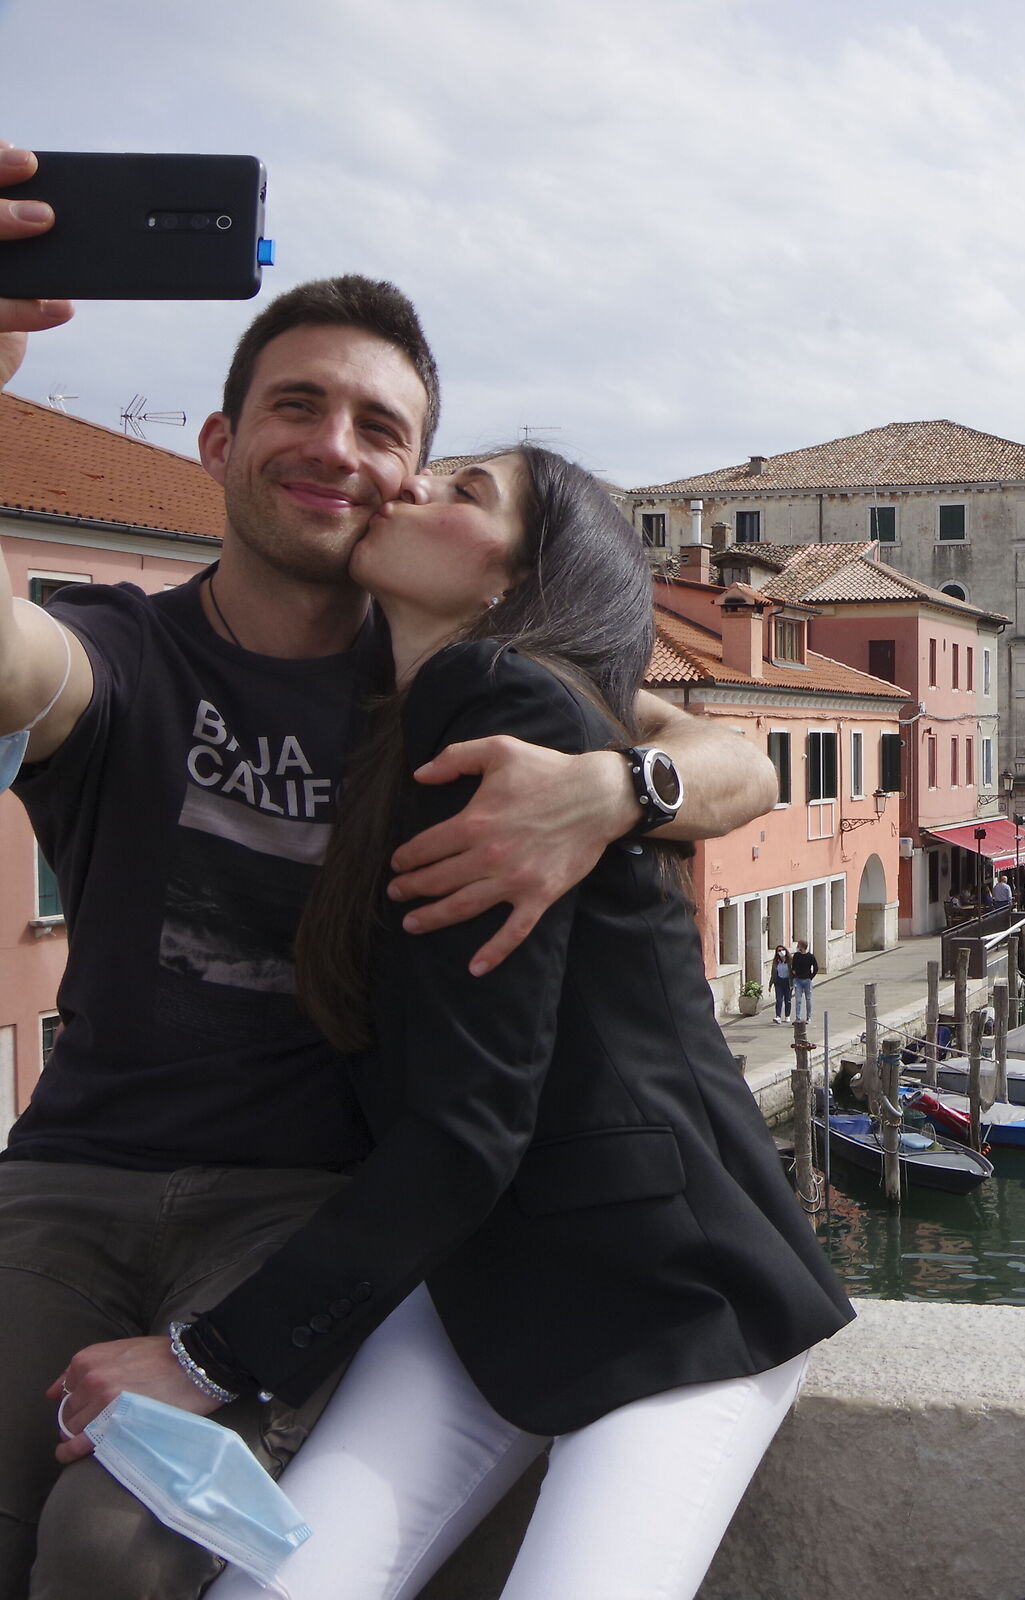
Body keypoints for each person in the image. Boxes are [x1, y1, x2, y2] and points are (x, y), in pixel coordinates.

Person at [0, 166, 778, 1598]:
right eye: (297, 407)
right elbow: (14, 660)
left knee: (109, 1550)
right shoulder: (118, 651)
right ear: (220, 441)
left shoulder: (481, 695)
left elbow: (742, 761)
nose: (363, 460)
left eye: (399, 439)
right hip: (83, 1180)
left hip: (332, 1209)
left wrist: (619, 788)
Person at [53, 446, 853, 1597]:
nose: (409, 485)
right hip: (488, 1280)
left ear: (517, 579)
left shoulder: (504, 699)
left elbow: (471, 1120)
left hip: (673, 1287)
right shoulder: (408, 709)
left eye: (462, 490)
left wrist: (203, 1356)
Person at [788, 940, 817, 1025]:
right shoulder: (796, 956)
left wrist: (810, 977)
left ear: (802, 946)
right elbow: (793, 966)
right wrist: (794, 974)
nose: (797, 947)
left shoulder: (810, 956)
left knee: (808, 999)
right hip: (798, 980)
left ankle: (808, 1017)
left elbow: (816, 968)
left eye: (798, 945)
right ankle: (798, 1018)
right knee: (798, 1000)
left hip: (807, 980)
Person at [770, 944, 794, 1022]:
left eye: (782, 950)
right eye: (779, 951)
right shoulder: (776, 962)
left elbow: (793, 972)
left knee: (788, 999)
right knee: (779, 1000)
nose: (781, 952)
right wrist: (771, 984)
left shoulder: (790, 961)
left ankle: (787, 1015)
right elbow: (773, 974)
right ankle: (778, 1016)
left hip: (788, 982)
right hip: (779, 982)